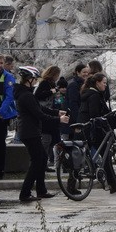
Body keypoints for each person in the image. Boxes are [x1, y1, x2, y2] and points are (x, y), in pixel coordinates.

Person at [14, 66, 69, 202]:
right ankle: (25, 193)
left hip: (30, 131)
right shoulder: (26, 95)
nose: (36, 81)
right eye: (35, 79)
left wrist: (57, 112)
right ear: (29, 79)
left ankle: (41, 190)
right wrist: (59, 119)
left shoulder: (26, 93)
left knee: (42, 159)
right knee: (37, 161)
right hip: (29, 131)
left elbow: (40, 107)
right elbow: (39, 114)